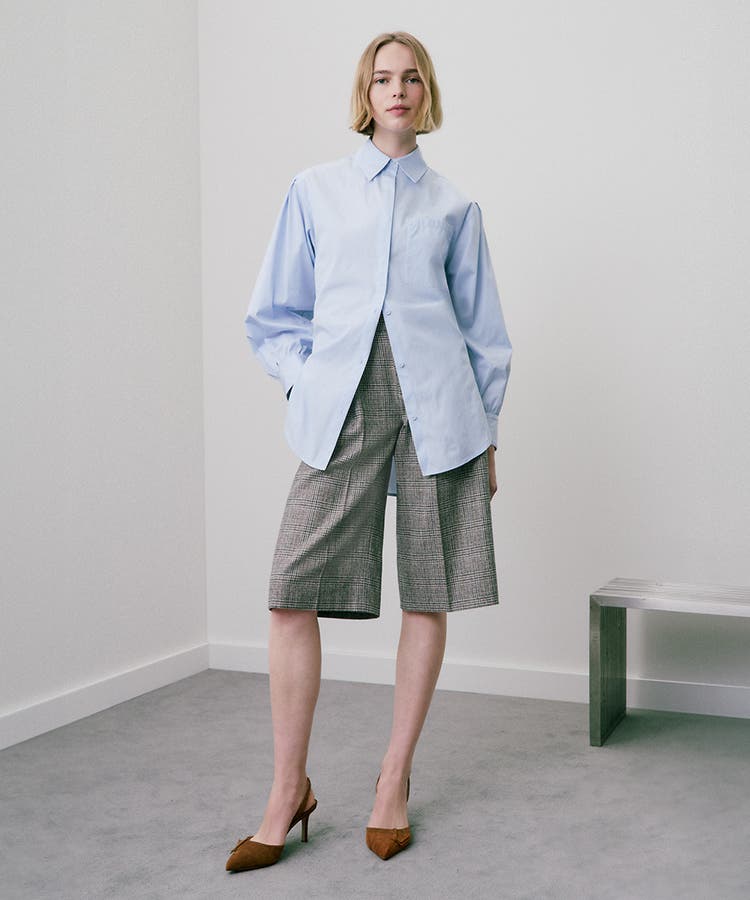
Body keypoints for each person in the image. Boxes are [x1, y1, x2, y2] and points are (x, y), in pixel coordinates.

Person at [226, 30, 512, 871]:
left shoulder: (454, 207)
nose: (397, 90)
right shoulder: (315, 191)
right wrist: (308, 383)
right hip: (343, 406)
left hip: (441, 413)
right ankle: (288, 789)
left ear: (426, 93)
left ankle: (394, 779)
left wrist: (487, 435)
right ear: (365, 92)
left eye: (411, 77)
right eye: (382, 77)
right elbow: (272, 315)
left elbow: (485, 338)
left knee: (428, 592)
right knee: (290, 592)